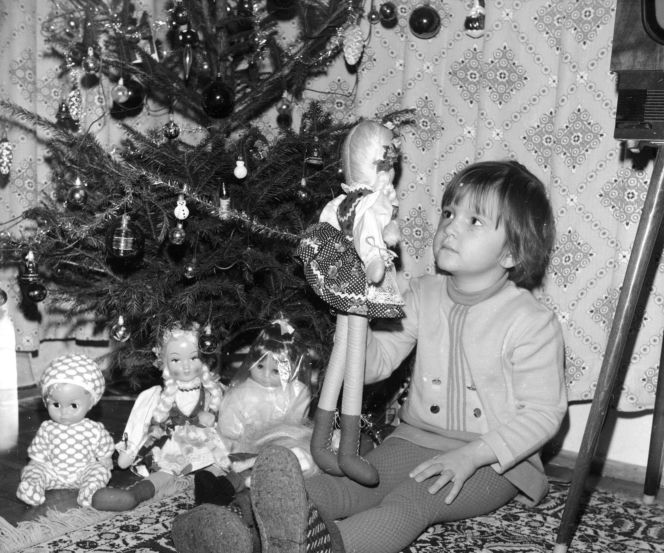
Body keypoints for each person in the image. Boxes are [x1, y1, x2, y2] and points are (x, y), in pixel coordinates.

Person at [193, 159, 568, 553]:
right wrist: (353, 315)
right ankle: (237, 521)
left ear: (511, 252)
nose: (451, 227)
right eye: (448, 213)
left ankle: (327, 548)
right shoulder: (423, 294)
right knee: (353, 483)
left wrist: (471, 456)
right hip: (415, 439)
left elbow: (542, 414)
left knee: (412, 500)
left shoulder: (532, 321)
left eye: (474, 221)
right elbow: (375, 365)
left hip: (496, 461)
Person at [296, 119, 405, 485]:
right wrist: (375, 260)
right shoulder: (371, 201)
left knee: (341, 352)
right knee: (353, 358)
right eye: (390, 165)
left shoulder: (343, 200)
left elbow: (329, 226)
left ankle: (320, 443)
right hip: (360, 280)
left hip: (341, 275)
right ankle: (347, 450)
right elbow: (366, 233)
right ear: (382, 167)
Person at [92, 322, 229, 511]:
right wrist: (130, 450)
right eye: (176, 360)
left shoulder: (214, 392)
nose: (186, 366)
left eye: (193, 357)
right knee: (166, 472)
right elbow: (140, 423)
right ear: (164, 362)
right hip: (174, 446)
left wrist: (213, 417)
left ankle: (213, 494)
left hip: (206, 446)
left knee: (216, 467)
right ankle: (134, 495)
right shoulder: (156, 395)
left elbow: (233, 423)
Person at [193, 318, 314, 507]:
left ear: (292, 367)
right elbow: (229, 429)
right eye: (260, 366)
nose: (265, 375)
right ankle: (221, 488)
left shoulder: (298, 392)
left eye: (276, 371)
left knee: (294, 464)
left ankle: (242, 497)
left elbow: (295, 426)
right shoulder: (242, 392)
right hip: (246, 450)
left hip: (282, 449)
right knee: (236, 465)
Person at [16, 353, 114, 508]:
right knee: (33, 470)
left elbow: (104, 448)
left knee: (100, 470)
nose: (64, 412)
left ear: (90, 403)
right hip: (52, 472)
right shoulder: (47, 428)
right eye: (56, 405)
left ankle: (90, 490)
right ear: (46, 402)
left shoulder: (93, 429)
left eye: (73, 405)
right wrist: (36, 464)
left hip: (83, 472)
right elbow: (38, 453)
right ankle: (32, 488)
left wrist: (105, 459)